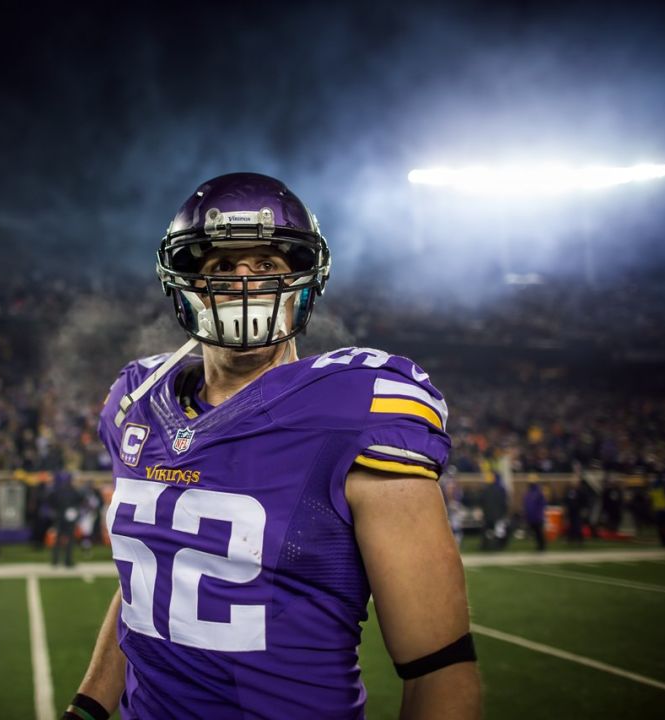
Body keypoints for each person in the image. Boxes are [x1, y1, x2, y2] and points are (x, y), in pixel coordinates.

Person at [67, 173, 480, 720]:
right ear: (187, 284)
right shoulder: (138, 402)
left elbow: (440, 669)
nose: (244, 281)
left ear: (304, 283)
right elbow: (151, 577)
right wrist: (90, 706)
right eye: (221, 266)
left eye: (266, 266)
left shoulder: (351, 412)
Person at [48, 471, 82, 568]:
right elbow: (79, 500)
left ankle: (55, 561)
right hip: (69, 517)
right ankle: (68, 561)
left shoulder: (57, 490)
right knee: (70, 539)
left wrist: (56, 509)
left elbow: (50, 500)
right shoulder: (73, 490)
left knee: (58, 538)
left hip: (59, 516)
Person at [522, 480, 547, 552]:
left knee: (539, 532)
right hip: (532, 516)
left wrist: (539, 513)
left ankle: (542, 546)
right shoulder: (529, 493)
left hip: (537, 516)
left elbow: (543, 504)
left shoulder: (538, 493)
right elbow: (526, 505)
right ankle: (539, 546)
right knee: (536, 533)